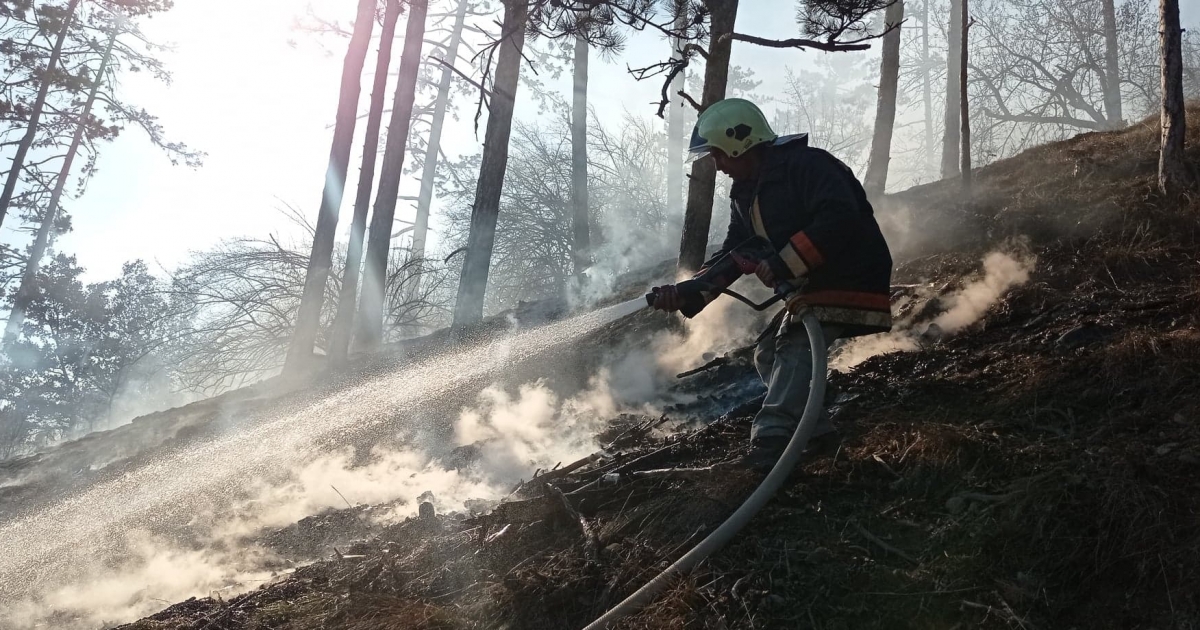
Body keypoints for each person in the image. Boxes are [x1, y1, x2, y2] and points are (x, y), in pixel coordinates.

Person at [650, 97, 893, 469]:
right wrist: (686, 292)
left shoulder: (808, 166)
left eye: (719, 154)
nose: (718, 165)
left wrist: (783, 263)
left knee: (795, 339)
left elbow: (839, 218)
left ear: (740, 143)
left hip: (853, 275)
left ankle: (772, 439)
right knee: (766, 354)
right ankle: (817, 434)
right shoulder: (746, 195)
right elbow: (736, 253)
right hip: (814, 287)